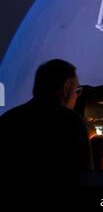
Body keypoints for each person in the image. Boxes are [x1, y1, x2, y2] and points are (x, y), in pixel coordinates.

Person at [0, 59, 91, 189]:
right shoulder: (71, 122)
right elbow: (86, 178)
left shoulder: (8, 118)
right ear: (66, 87)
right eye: (77, 90)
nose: (77, 96)